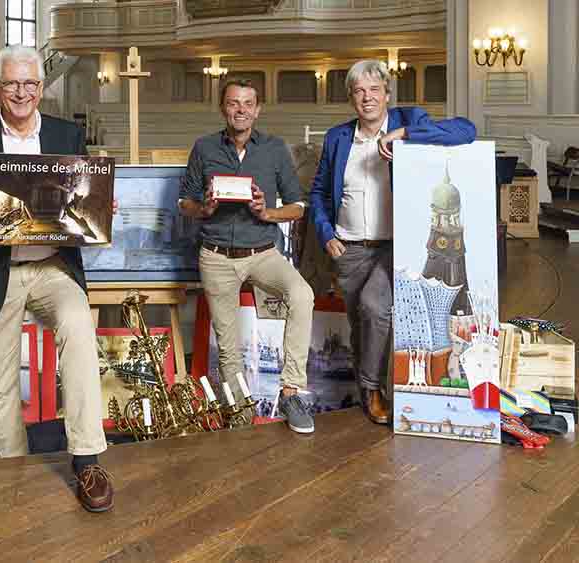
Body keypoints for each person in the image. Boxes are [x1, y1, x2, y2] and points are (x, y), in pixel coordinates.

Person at [0, 44, 114, 513]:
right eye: (11, 84)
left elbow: (84, 198)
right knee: (0, 383)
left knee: (78, 328)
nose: (22, 92)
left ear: (40, 87)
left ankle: (87, 458)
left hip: (52, 266)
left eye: (31, 83)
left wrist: (95, 212)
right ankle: (15, 471)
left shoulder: (68, 135)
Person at [308, 60, 476, 425]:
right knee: (360, 322)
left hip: (395, 248)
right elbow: (320, 192)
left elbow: (466, 130)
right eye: (358, 91)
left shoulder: (408, 119)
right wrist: (326, 234)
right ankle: (369, 388)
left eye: (373, 90)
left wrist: (403, 136)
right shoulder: (338, 137)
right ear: (351, 97)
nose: (366, 97)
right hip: (348, 249)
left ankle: (372, 392)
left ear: (386, 94)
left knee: (373, 308)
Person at [179, 79, 316, 434]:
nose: (240, 109)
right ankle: (241, 420)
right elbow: (183, 202)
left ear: (258, 109)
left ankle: (290, 390)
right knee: (228, 347)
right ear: (223, 108)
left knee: (302, 294)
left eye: (247, 103)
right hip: (217, 256)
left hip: (263, 252)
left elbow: (298, 207)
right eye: (233, 103)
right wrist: (205, 208)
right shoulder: (204, 147)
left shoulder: (274, 149)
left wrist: (266, 212)